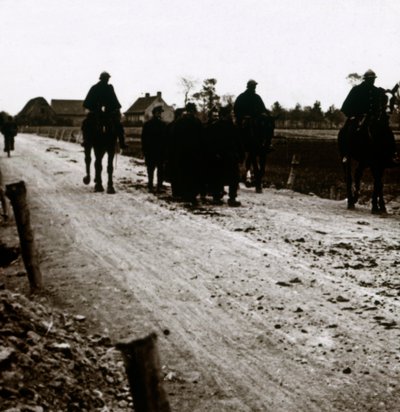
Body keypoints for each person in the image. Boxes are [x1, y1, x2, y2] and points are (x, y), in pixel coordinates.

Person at [339, 69, 398, 165]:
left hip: (374, 118)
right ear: (365, 79)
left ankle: (393, 154)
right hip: (358, 118)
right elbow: (345, 107)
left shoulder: (377, 91)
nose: (372, 81)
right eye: (370, 79)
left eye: (373, 79)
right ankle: (346, 154)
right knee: (350, 131)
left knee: (387, 131)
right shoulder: (356, 90)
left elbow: (387, 96)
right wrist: (352, 115)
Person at [206, 106, 244, 206]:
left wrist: (240, 155)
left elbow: (238, 143)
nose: (232, 116)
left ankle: (225, 197)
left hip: (225, 156)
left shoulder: (230, 127)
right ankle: (223, 197)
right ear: (225, 115)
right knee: (224, 177)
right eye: (230, 114)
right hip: (223, 156)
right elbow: (210, 142)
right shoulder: (221, 127)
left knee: (227, 177)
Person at [82, 71, 126, 149]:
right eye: (105, 78)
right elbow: (87, 103)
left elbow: (114, 100)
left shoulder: (110, 88)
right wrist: (94, 108)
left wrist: (116, 108)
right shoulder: (94, 88)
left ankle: (122, 143)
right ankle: (86, 140)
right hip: (96, 112)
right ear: (101, 79)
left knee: (118, 125)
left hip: (108, 113)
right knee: (86, 123)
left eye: (107, 79)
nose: (107, 80)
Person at [141, 106, 168, 192]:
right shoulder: (159, 125)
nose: (159, 114)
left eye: (160, 112)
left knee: (155, 169)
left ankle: (155, 185)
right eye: (158, 112)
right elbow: (144, 139)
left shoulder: (150, 124)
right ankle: (154, 185)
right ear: (155, 113)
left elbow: (165, 139)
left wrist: (144, 150)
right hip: (154, 151)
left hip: (155, 151)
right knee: (154, 169)